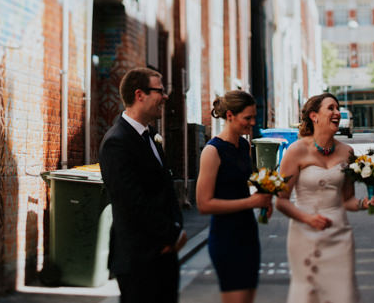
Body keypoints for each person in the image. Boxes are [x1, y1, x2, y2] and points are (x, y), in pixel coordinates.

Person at [275, 92, 374, 303]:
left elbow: (346, 200)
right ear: (314, 116)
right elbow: (281, 201)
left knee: (343, 294)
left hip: (339, 235)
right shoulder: (296, 151)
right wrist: (307, 219)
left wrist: (364, 203)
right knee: (308, 294)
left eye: (337, 108)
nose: (336, 113)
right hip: (305, 234)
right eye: (330, 108)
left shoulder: (347, 152)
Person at [99, 67, 187, 303]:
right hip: (139, 258)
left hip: (164, 255)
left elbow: (166, 190)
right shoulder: (116, 142)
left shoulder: (152, 138)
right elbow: (131, 202)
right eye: (160, 91)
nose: (165, 97)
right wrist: (170, 234)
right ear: (140, 95)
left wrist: (177, 228)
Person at [196, 90, 273, 303]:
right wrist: (251, 202)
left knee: (247, 298)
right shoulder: (213, 151)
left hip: (248, 232)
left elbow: (242, 185)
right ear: (229, 116)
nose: (252, 123)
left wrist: (263, 195)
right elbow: (204, 204)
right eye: (247, 118)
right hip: (226, 236)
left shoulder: (245, 146)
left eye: (253, 117)